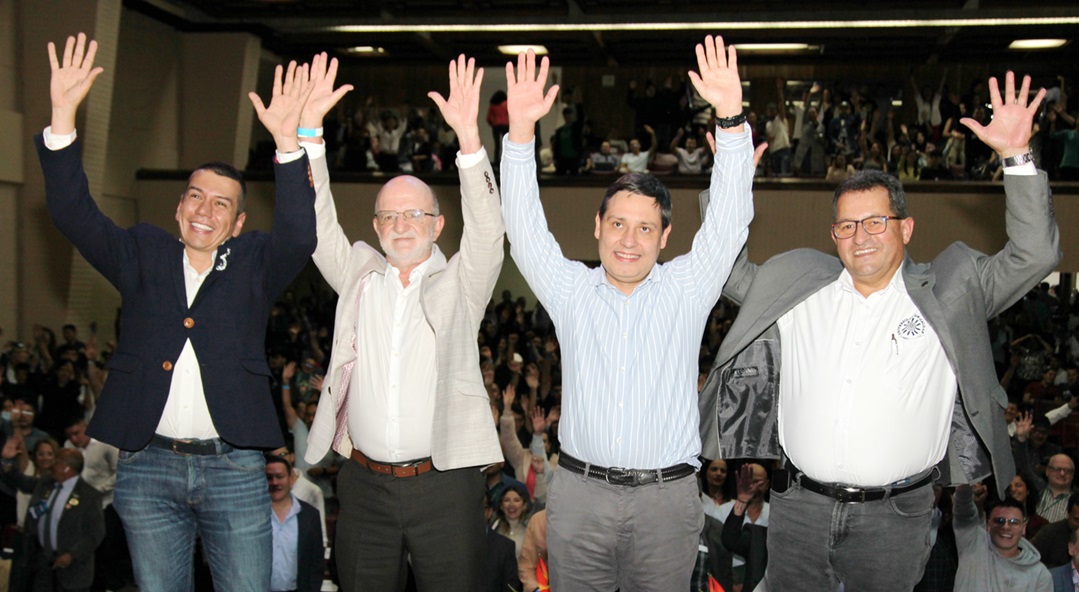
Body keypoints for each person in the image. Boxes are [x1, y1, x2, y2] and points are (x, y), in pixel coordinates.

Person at [699, 71, 1060, 590]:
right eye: (847, 225)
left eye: (876, 222)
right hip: (798, 509)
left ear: (905, 228)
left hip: (895, 518)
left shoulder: (951, 291)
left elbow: (1035, 255)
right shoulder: (797, 289)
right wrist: (729, 177)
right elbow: (724, 269)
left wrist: (1016, 157)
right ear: (834, 235)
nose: (860, 236)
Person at [37, 34, 318, 591]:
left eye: (221, 203)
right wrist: (63, 117)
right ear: (179, 205)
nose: (204, 210)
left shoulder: (254, 263)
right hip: (147, 466)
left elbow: (299, 235)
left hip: (233, 466)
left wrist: (288, 144)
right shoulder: (142, 252)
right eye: (195, 196)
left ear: (238, 223)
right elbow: (72, 212)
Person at [500, 37, 754, 590]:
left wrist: (732, 121)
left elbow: (729, 222)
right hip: (580, 497)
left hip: (666, 501)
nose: (629, 240)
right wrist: (519, 134)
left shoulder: (687, 289)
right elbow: (523, 229)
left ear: (665, 236)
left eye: (645, 228)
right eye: (617, 224)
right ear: (598, 227)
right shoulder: (570, 290)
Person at [302, 54, 504, 591]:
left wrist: (469, 140)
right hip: (363, 486)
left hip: (445, 487)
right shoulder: (358, 275)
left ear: (438, 225)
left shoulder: (461, 284)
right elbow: (317, 225)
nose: (402, 224)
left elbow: (488, 232)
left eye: (415, 214)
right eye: (390, 215)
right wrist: (311, 136)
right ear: (375, 226)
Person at [1, 444, 105, 592]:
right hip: (42, 563)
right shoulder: (46, 483)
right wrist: (7, 461)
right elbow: (22, 482)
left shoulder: (89, 496)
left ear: (66, 468)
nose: (51, 464)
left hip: (72, 570)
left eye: (56, 461)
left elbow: (94, 534)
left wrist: (71, 555)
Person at [953, 484, 1052, 591]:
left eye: (1013, 522)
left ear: (1023, 528)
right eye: (999, 521)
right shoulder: (973, 544)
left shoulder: (1039, 574)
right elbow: (963, 507)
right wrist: (965, 485)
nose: (1006, 527)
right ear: (989, 525)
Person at [265, 455, 324, 592]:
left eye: (279, 476)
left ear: (291, 478)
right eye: (269, 478)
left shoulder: (310, 516)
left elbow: (316, 562)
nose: (274, 482)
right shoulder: (253, 515)